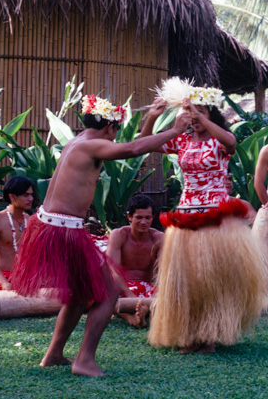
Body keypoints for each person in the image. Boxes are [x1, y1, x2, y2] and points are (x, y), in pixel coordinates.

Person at [10, 94, 191, 377]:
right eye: (115, 130)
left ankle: (54, 354)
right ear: (110, 127)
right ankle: (84, 361)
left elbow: (134, 146)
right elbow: (132, 150)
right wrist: (176, 129)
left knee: (81, 294)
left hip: (51, 225)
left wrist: (153, 118)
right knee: (107, 291)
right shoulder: (93, 146)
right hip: (63, 230)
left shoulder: (78, 141)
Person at [140, 77, 268, 353]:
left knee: (210, 279)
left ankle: (211, 335)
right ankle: (190, 335)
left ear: (211, 113)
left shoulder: (219, 141)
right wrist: (152, 119)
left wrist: (203, 116)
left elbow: (232, 141)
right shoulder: (183, 141)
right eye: (191, 113)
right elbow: (146, 143)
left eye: (200, 112)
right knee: (186, 280)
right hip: (186, 216)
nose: (194, 118)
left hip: (216, 216)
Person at [106, 194, 164, 329]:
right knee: (104, 295)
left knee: (168, 298)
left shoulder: (158, 238)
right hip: (121, 288)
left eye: (147, 218)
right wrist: (129, 294)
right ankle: (133, 318)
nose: (143, 222)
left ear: (153, 218)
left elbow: (164, 271)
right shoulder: (119, 235)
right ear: (129, 217)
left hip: (146, 289)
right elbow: (112, 269)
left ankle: (139, 312)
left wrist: (159, 292)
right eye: (139, 217)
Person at [0, 176, 35, 291]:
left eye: (31, 194)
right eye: (26, 195)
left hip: (25, 278)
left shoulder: (31, 221)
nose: (31, 198)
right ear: (12, 196)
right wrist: (4, 283)